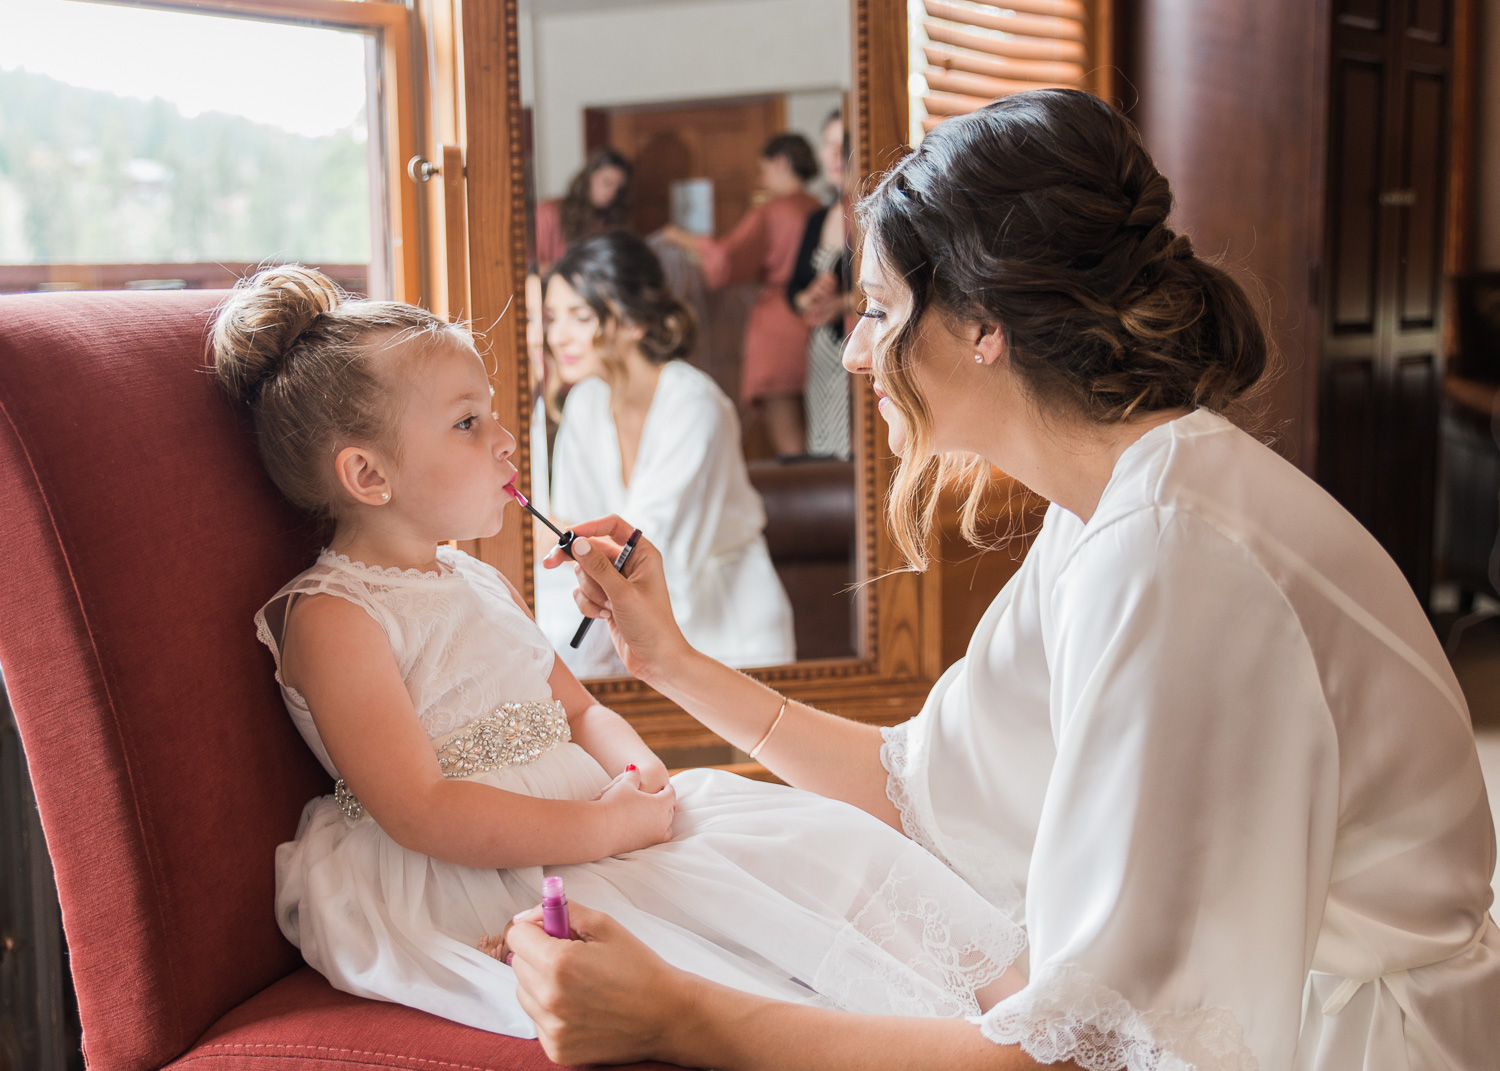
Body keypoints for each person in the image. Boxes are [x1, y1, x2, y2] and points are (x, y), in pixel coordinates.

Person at [507, 90, 1499, 1070]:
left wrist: (684, 1020)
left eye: (881, 310)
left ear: (984, 321)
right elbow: (919, 791)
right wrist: (669, 660)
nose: (854, 355)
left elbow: (1084, 1052)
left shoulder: (1167, 553)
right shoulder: (1109, 508)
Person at [210, 264, 1021, 1038]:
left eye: (494, 412)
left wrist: (639, 777)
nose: (504, 440)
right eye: (467, 423)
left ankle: (1019, 1012)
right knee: (725, 945)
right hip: (482, 868)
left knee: (819, 842)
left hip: (598, 820)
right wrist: (604, 831)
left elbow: (577, 707)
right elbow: (423, 810)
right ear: (367, 474)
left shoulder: (476, 578)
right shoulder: (336, 616)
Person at [540, 230, 795, 677]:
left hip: (731, 632)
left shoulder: (695, 405)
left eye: (579, 316)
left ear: (635, 322)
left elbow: (652, 548)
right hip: (627, 626)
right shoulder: (584, 403)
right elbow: (572, 531)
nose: (557, 336)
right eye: (552, 317)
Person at [661, 133, 821, 458]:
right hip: (819, 321)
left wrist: (680, 238)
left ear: (781, 163)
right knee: (824, 429)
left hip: (778, 325)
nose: (760, 180)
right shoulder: (820, 207)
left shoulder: (771, 211)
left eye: (762, 171)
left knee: (790, 444)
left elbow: (724, 261)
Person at [788, 110, 856, 460]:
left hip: (860, 345)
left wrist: (842, 303)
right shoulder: (817, 217)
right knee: (826, 446)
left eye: (839, 144)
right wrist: (808, 298)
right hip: (824, 350)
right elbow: (794, 289)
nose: (831, 155)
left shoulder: (870, 211)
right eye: (826, 144)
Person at [533, 147, 631, 271]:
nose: (612, 193)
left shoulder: (608, 223)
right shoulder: (549, 212)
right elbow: (532, 266)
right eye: (607, 182)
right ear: (588, 177)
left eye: (618, 188)